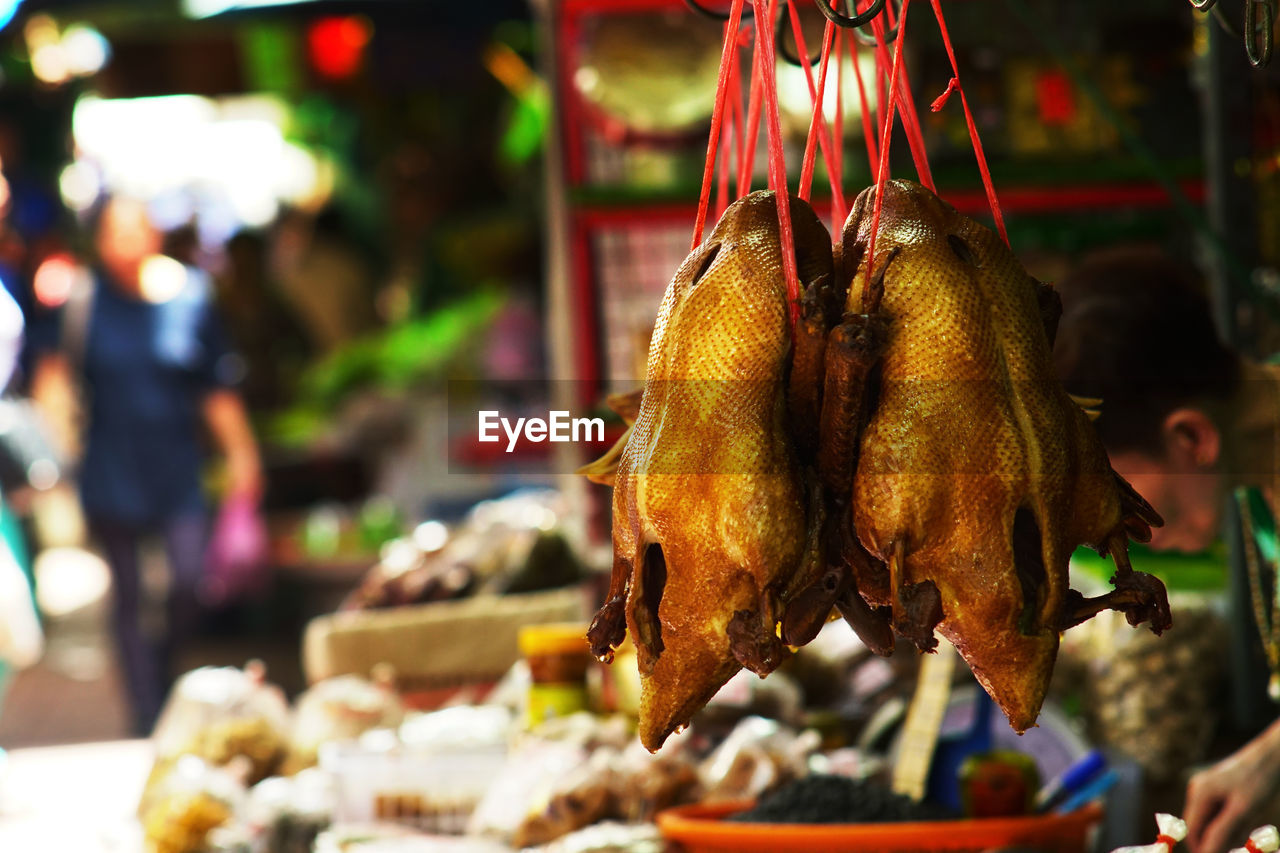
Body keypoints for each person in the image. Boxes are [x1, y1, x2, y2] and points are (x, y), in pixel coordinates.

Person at [1053, 246, 1280, 853]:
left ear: (1190, 437)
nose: (1110, 533)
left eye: (1116, 500)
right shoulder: (1259, 480)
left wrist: (1270, 758)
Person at [30, 197, 262, 734]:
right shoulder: (83, 301)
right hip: (111, 463)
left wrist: (242, 456)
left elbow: (215, 387)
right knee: (129, 594)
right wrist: (52, 458)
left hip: (177, 463)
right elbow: (54, 379)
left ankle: (161, 669)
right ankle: (145, 711)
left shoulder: (190, 298)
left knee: (188, 581)